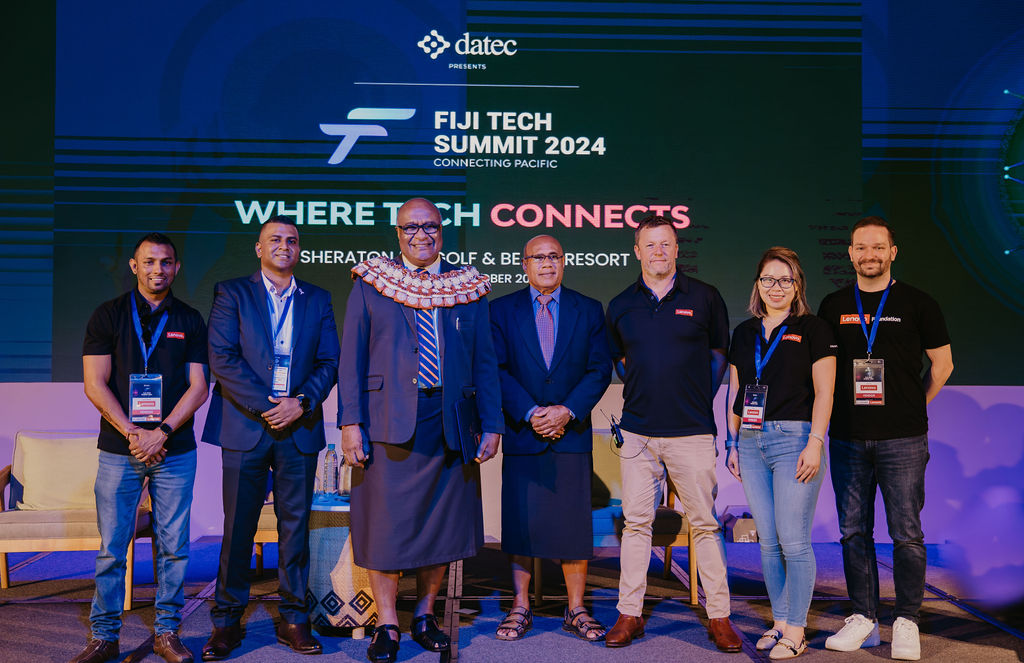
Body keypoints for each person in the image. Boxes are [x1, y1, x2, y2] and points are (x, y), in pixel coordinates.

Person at [338, 198, 503, 663]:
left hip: (451, 424)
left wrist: (492, 424)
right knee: (385, 528)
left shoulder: (466, 287)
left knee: (442, 529)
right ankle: (388, 623)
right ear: (397, 233)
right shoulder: (372, 283)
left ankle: (425, 616)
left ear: (442, 230)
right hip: (387, 423)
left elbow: (485, 362)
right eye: (411, 227)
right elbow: (351, 360)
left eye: (429, 226)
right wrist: (350, 423)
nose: (421, 235)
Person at [201, 216, 340, 660]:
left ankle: (295, 619)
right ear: (258, 248)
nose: (284, 245)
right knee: (238, 529)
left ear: (299, 249)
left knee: (295, 530)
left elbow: (329, 362)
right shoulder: (232, 293)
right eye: (274, 239)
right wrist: (269, 405)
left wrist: (301, 402)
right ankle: (226, 622)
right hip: (246, 426)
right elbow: (222, 358)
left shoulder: (318, 298)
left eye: (292, 240)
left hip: (298, 428)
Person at [604, 215, 742, 652]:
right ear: (637, 251)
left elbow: (719, 356)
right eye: (650, 244)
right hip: (638, 432)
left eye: (666, 243)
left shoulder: (705, 296)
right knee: (636, 525)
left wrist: (695, 398)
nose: (658, 251)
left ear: (677, 249)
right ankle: (629, 613)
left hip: (691, 431)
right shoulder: (621, 304)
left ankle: (719, 616)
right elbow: (621, 362)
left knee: (705, 525)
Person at [818, 216, 953, 661]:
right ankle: (864, 618)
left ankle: (907, 620)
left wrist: (913, 403)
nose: (869, 255)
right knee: (853, 532)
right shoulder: (834, 304)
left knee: (907, 533)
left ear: (893, 252)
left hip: (904, 439)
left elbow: (943, 366)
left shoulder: (919, 303)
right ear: (850, 253)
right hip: (848, 437)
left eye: (878, 247)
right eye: (861, 247)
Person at [77, 233, 209, 663]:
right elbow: (94, 384)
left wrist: (162, 432)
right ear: (134, 266)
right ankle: (104, 637)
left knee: (174, 547)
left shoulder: (190, 319)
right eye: (149, 262)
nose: (158, 269)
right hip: (121, 449)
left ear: (176, 268)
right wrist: (135, 432)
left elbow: (198, 387)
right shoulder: (108, 315)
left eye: (166, 262)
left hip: (175, 448)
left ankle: (166, 633)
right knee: (112, 548)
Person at [489, 235, 612, 642]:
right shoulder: (500, 310)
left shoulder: (588, 309)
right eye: (538, 257)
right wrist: (531, 413)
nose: (546, 263)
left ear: (564, 262)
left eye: (553, 256)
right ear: (524, 264)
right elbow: (496, 369)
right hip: (523, 432)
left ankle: (576, 608)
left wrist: (566, 411)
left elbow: (599, 369)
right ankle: (520, 605)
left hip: (571, 433)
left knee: (573, 525)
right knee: (521, 521)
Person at [725, 247, 837, 660]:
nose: (776, 287)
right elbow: (736, 392)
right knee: (768, 541)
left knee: (793, 540)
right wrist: (732, 443)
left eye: (785, 280)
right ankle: (779, 621)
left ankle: (797, 629)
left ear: (797, 286)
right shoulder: (744, 333)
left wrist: (815, 442)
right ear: (757, 285)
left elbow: (825, 392)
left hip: (796, 440)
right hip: (750, 441)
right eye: (768, 279)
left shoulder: (814, 328)